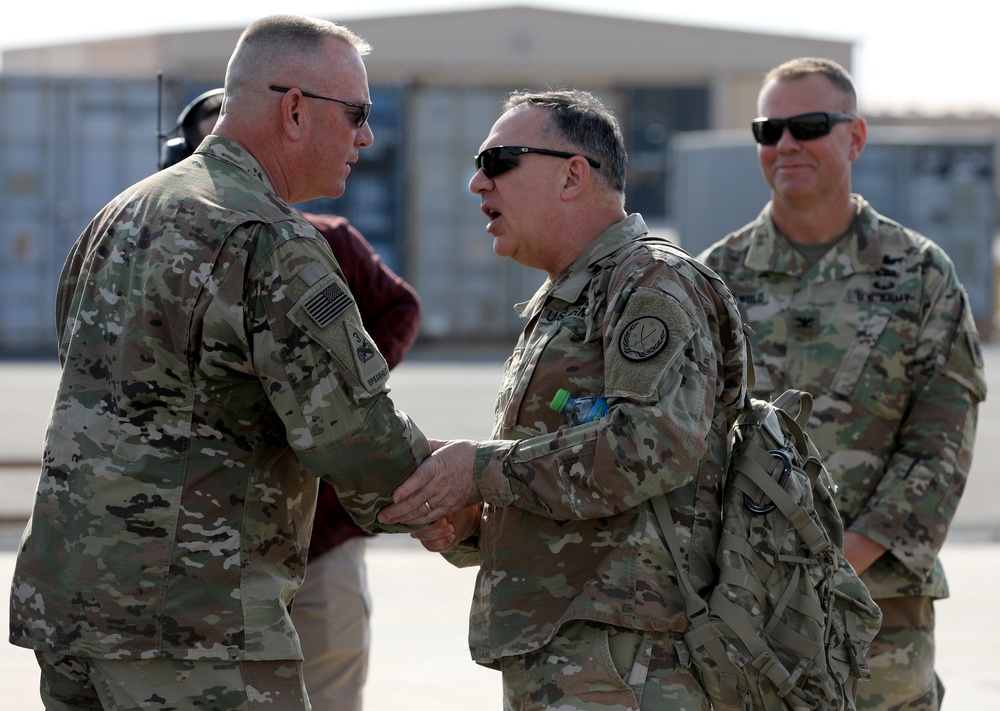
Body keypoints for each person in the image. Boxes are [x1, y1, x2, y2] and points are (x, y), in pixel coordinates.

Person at [9, 15, 430, 711]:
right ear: (294, 109)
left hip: (72, 608)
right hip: (190, 630)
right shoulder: (272, 241)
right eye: (357, 113)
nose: (366, 137)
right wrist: (488, 504)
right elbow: (355, 439)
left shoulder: (120, 214)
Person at [378, 89, 747, 710]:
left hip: (631, 667)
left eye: (499, 162)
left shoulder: (650, 281)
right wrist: (471, 519)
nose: (476, 183)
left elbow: (651, 446)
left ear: (573, 175)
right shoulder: (569, 299)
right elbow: (570, 484)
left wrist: (481, 470)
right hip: (570, 658)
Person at [697, 57, 987, 711]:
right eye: (768, 130)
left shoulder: (919, 274)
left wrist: (834, 565)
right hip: (744, 610)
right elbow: (693, 440)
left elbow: (939, 447)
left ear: (854, 138)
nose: (786, 144)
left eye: (808, 125)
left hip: (878, 610)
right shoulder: (715, 278)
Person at [160, 88, 423, 711]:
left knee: (329, 682)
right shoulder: (164, 250)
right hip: (207, 541)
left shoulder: (323, 240)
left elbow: (400, 307)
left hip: (321, 529)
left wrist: (334, 383)